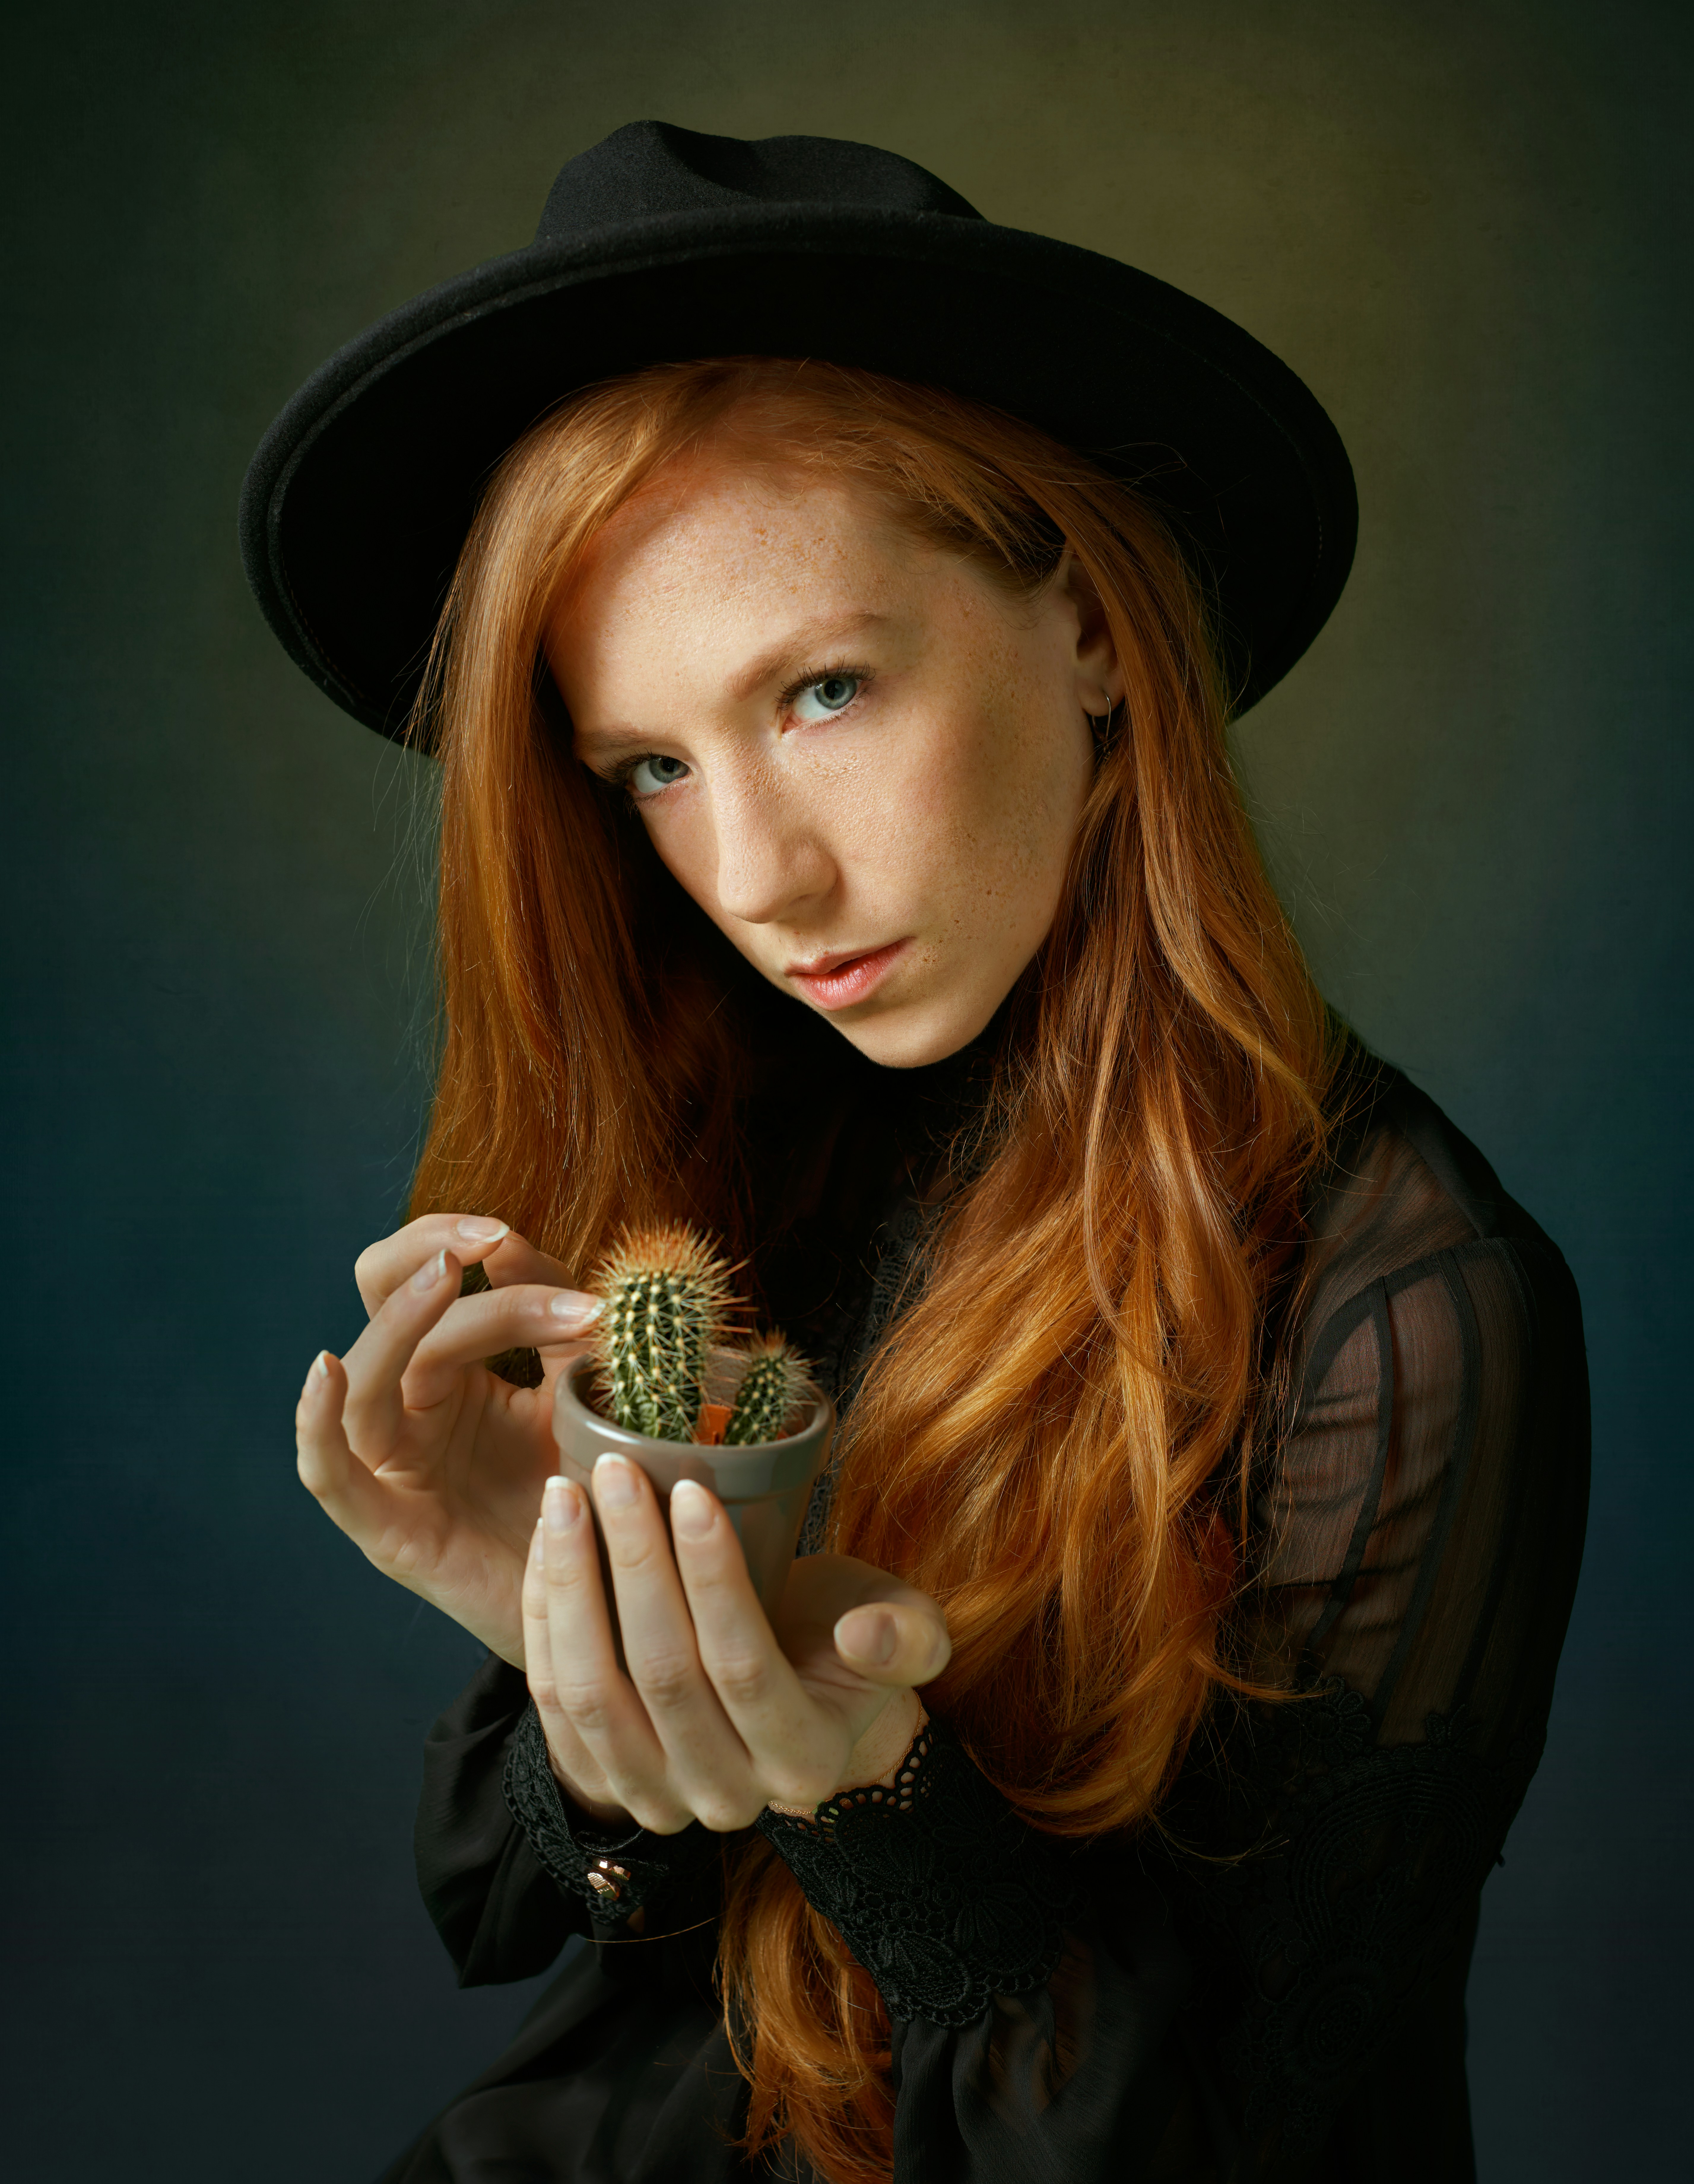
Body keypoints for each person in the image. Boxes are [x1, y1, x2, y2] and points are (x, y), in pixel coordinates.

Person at [242, 123, 1589, 2184]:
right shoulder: (723, 1160)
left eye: (829, 689)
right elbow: (540, 1929)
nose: (757, 876)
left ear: (1098, 635)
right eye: (654, 768)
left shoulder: (1409, 1315)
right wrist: (562, 1620)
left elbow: (1254, 2134)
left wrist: (881, 1792)